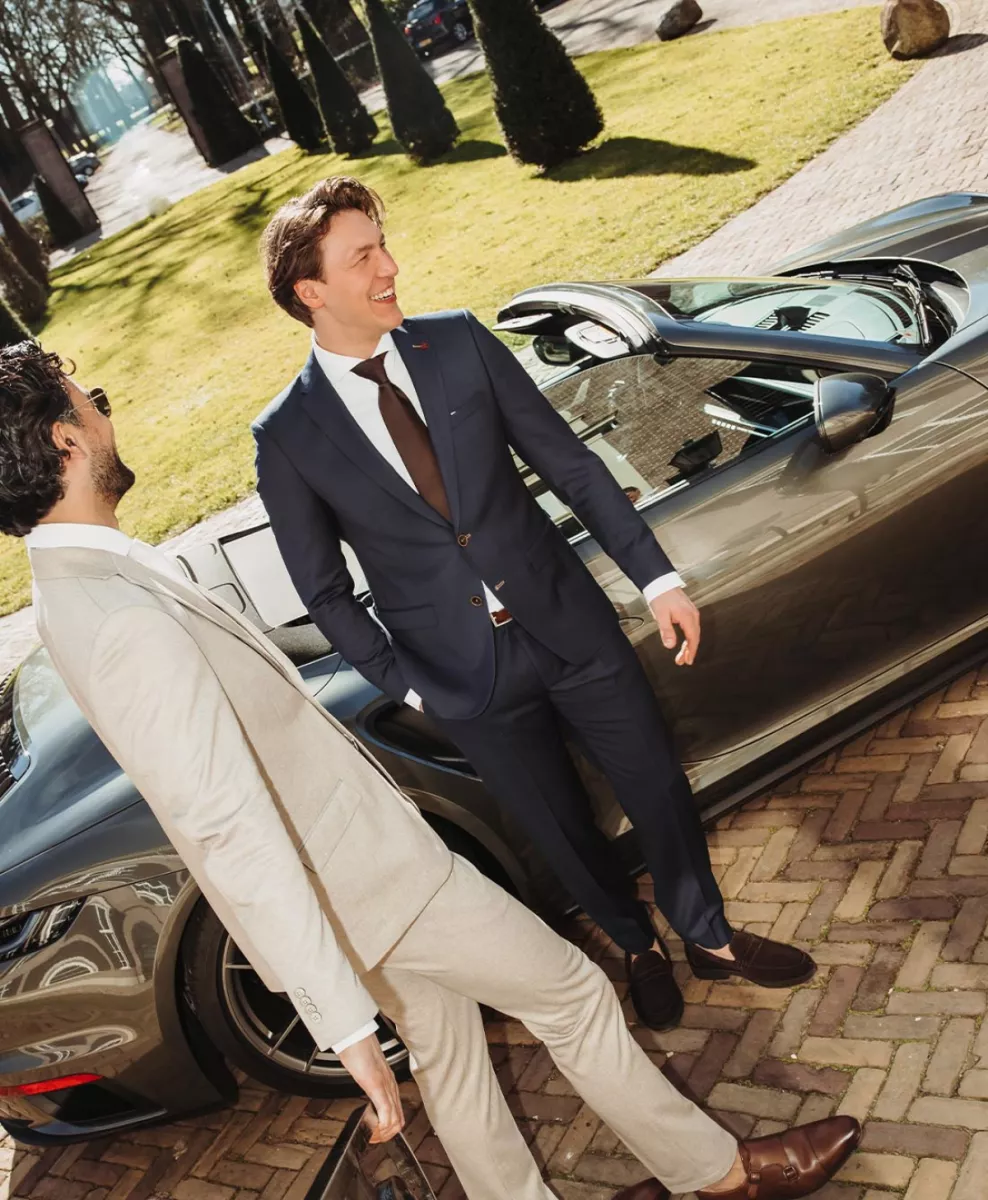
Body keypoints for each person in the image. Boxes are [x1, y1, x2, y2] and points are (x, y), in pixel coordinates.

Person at [0, 340, 859, 1200]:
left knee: (450, 1056)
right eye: (93, 399)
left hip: (355, 884)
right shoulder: (114, 615)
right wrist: (341, 1022)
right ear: (66, 439)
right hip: (374, 884)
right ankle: (721, 1175)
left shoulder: (89, 581)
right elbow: (223, 825)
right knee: (571, 992)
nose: (106, 414)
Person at [253, 178, 815, 1031]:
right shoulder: (287, 434)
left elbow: (572, 466)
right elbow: (322, 589)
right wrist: (409, 685)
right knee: (563, 832)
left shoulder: (459, 342)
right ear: (311, 290)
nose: (389, 266)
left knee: (656, 783)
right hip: (463, 677)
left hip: (568, 622)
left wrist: (656, 578)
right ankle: (636, 944)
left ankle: (706, 932)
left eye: (383, 244)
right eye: (362, 257)